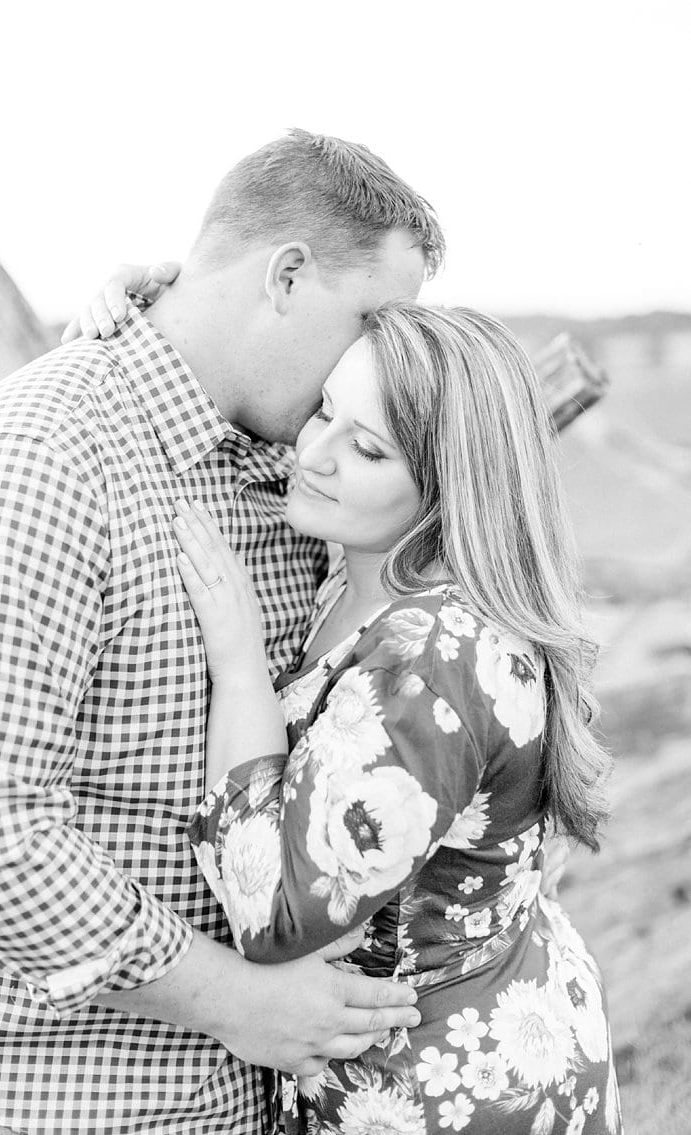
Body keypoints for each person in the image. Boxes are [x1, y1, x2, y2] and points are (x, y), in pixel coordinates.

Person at [0, 129, 441, 1135]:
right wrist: (235, 1001)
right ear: (286, 276)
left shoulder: (284, 463)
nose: (380, 356)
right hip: (78, 1104)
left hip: (243, 1100)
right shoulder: (41, 459)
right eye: (372, 319)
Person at [170, 303, 618, 1133]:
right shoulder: (368, 573)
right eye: (324, 410)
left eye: (368, 449)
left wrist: (235, 660)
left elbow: (276, 913)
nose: (313, 453)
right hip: (488, 1030)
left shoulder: (435, 659)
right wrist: (143, 296)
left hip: (445, 1092)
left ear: (448, 487)